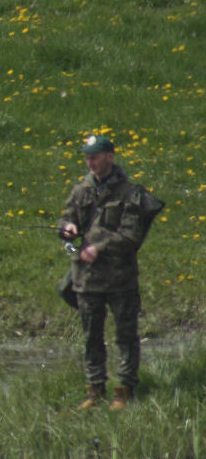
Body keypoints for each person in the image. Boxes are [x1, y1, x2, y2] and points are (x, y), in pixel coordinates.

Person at [59, 135, 162, 411]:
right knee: (91, 337)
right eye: (87, 158)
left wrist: (99, 248)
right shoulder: (81, 190)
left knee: (126, 336)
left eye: (95, 157)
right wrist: (67, 228)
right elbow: (66, 218)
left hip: (120, 279)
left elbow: (131, 237)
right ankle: (94, 390)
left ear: (110, 157)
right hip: (86, 278)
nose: (90, 163)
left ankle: (124, 391)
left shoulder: (131, 193)